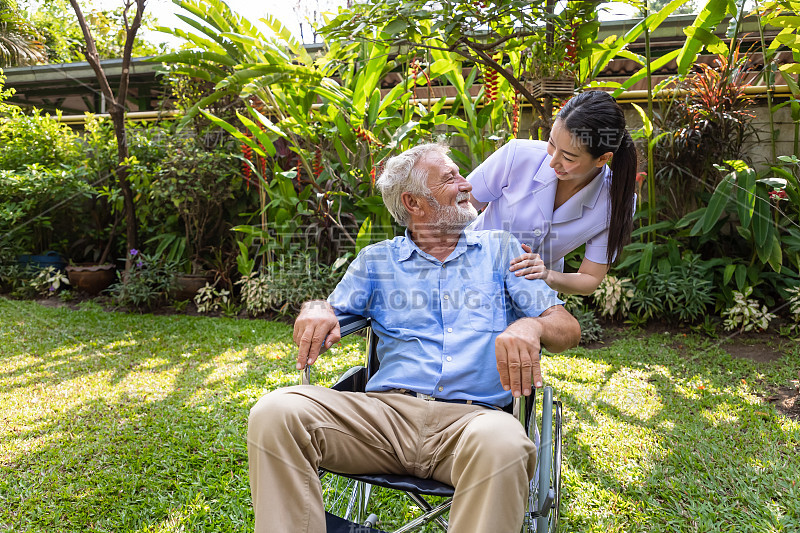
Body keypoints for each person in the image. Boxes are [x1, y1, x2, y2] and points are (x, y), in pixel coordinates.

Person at [247, 143, 581, 533]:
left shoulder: (501, 251)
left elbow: (566, 328)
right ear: (414, 202)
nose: (467, 185)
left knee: (505, 445)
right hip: (383, 418)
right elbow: (330, 312)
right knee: (275, 412)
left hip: (474, 424)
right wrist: (315, 307)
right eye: (450, 178)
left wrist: (533, 325)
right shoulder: (377, 261)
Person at [468, 90, 638, 295]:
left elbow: (590, 278)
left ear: (602, 159)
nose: (553, 161)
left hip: (532, 296)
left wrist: (547, 275)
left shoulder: (616, 200)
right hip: (469, 271)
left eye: (568, 157)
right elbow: (459, 205)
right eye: (551, 143)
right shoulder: (518, 155)